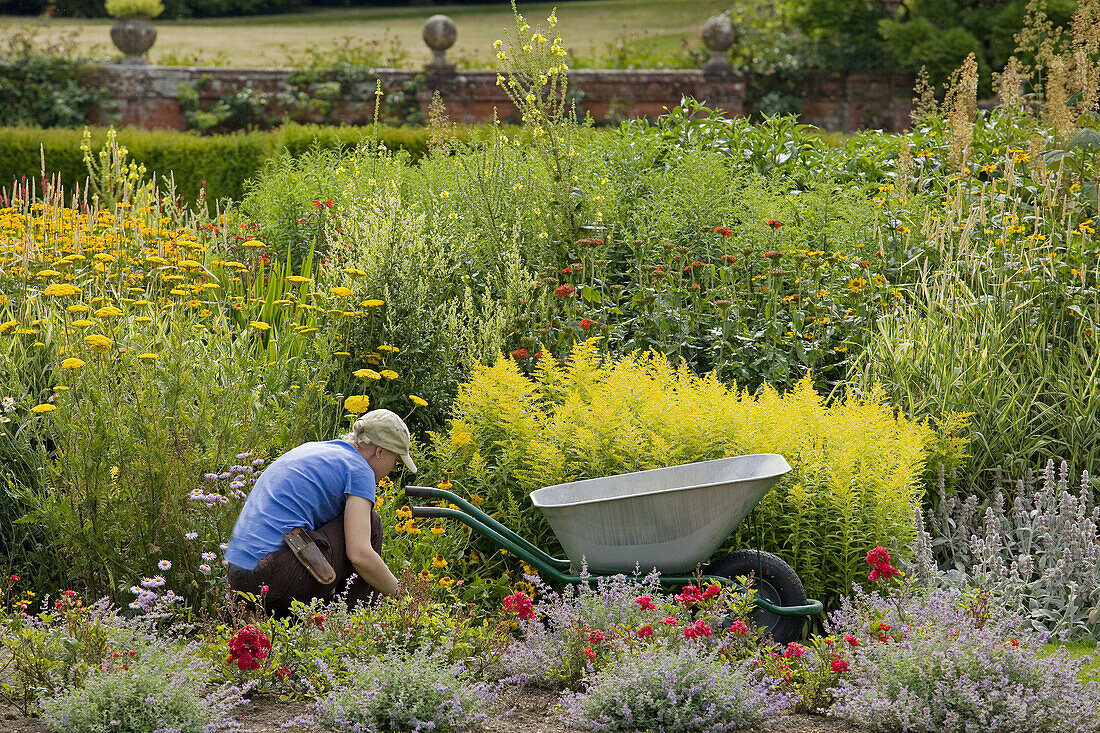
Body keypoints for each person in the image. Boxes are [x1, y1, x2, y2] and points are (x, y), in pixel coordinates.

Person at [225, 409, 416, 615]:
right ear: (379, 452)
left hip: (237, 578)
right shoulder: (360, 470)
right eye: (395, 462)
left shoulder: (315, 450)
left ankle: (311, 619)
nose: (393, 470)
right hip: (274, 577)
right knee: (372, 523)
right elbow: (360, 554)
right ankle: (352, 623)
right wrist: (402, 596)